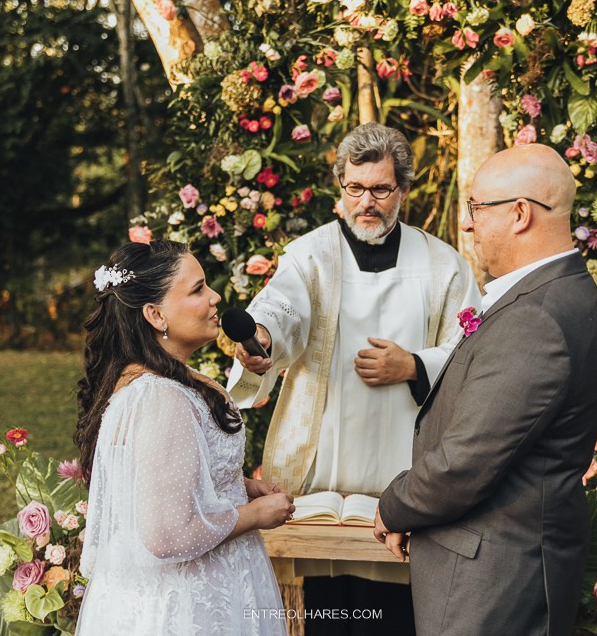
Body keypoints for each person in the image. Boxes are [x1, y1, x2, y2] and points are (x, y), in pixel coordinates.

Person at [227, 122, 482, 633]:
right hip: (319, 485)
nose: (367, 201)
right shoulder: (310, 256)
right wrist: (263, 341)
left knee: (392, 618)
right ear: (341, 187)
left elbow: (473, 351)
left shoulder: (444, 265)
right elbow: (281, 309)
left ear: (404, 190)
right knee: (318, 609)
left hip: (405, 481)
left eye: (381, 189)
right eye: (355, 188)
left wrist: (413, 365)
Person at [372, 143, 597, 636]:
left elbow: (467, 460)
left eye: (477, 208)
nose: (466, 224)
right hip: (508, 567)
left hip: (493, 583)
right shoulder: (561, 291)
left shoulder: (535, 317)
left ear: (520, 213)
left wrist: (393, 504)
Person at [73, 241, 292, 635]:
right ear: (156, 315)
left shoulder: (146, 381)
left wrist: (236, 485)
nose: (215, 298)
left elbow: (159, 481)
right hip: (191, 606)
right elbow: (166, 535)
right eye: (198, 289)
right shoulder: (162, 399)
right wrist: (255, 514)